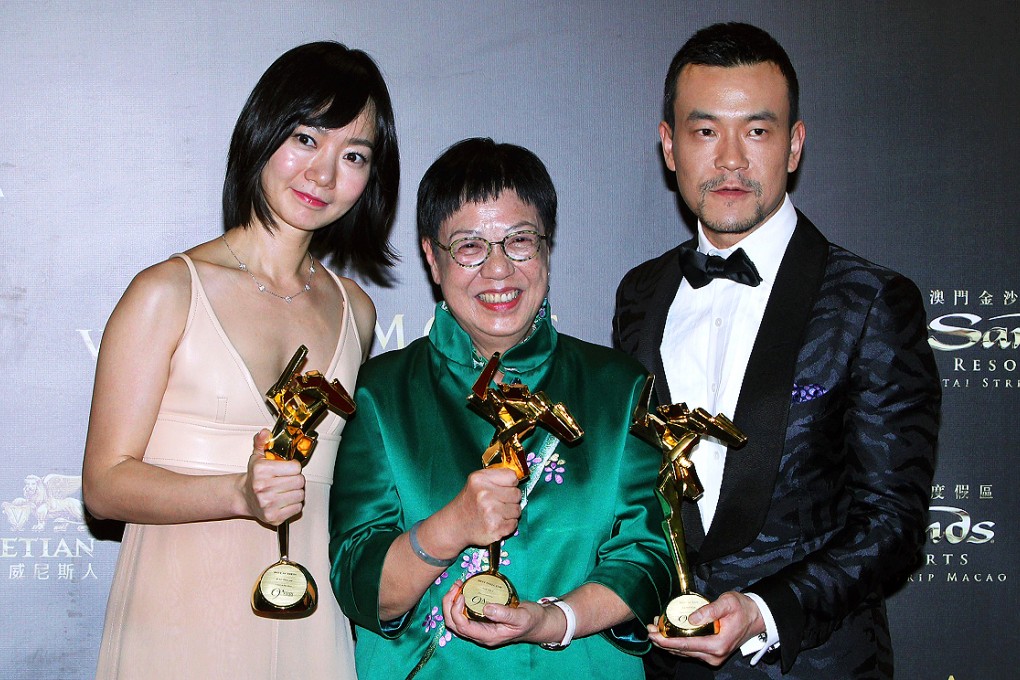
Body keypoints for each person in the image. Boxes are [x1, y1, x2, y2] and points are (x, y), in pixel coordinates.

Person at [613, 22, 941, 680]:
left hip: (814, 666)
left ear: (793, 145)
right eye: (705, 131)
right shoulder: (641, 293)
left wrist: (763, 611)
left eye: (756, 131)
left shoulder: (872, 300)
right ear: (669, 146)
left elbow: (893, 525)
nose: (730, 160)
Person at [82, 41, 399, 679]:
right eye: (307, 139)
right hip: (177, 624)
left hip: (310, 630)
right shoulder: (168, 291)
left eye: (354, 154)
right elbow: (104, 485)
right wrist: (237, 493)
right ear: (263, 132)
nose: (325, 173)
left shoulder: (355, 312)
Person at [329, 138, 673, 679]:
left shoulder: (617, 388)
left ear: (547, 247)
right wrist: (452, 526)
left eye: (519, 241)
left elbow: (650, 560)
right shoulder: (380, 392)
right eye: (469, 246)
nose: (497, 270)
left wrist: (550, 620)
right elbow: (359, 585)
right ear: (432, 259)